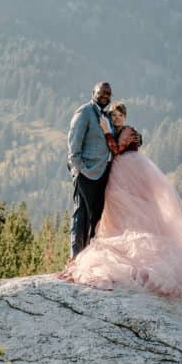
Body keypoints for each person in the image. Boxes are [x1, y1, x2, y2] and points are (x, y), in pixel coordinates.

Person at [62, 101, 182, 297]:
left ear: (125, 117)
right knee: (119, 210)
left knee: (135, 207)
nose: (116, 118)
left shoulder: (126, 130)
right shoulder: (118, 130)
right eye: (114, 116)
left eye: (120, 115)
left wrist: (107, 132)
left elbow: (116, 149)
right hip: (117, 172)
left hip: (130, 170)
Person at [66, 81, 115, 258]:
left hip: (101, 174)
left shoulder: (107, 116)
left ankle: (89, 258)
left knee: (95, 219)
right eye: (101, 93)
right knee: (81, 216)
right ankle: (75, 257)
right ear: (93, 93)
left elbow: (114, 138)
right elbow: (73, 146)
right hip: (85, 173)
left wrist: (135, 137)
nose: (104, 96)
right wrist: (80, 169)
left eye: (108, 94)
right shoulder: (84, 112)